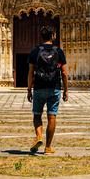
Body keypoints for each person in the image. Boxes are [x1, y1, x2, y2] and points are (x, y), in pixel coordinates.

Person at [27, 25, 68, 154]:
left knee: (37, 115)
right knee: (52, 116)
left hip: (39, 87)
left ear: (41, 36)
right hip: (54, 87)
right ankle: (48, 147)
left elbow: (30, 72)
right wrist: (66, 90)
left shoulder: (35, 51)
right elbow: (64, 72)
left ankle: (39, 137)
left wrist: (29, 89)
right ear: (53, 36)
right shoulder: (59, 51)